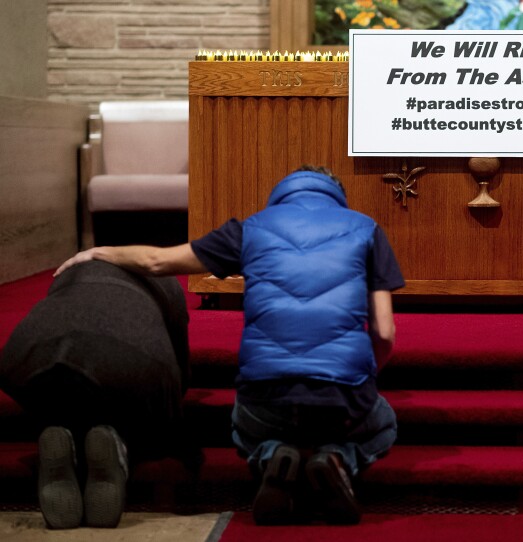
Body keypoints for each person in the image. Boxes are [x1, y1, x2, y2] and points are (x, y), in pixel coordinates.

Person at [53, 165, 404, 525]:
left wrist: (100, 252)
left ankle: (270, 455)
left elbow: (158, 261)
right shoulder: (367, 229)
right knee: (384, 422)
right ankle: (337, 459)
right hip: (343, 397)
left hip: (266, 395)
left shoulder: (252, 227)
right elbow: (385, 332)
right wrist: (364, 377)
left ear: (281, 193)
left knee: (241, 420)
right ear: (337, 196)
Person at [0, 260, 190, 529]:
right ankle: (117, 442)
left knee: (63, 381)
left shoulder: (71, 266)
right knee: (138, 396)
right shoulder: (163, 276)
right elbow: (181, 371)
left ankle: (59, 428)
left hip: (27, 352)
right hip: (129, 357)